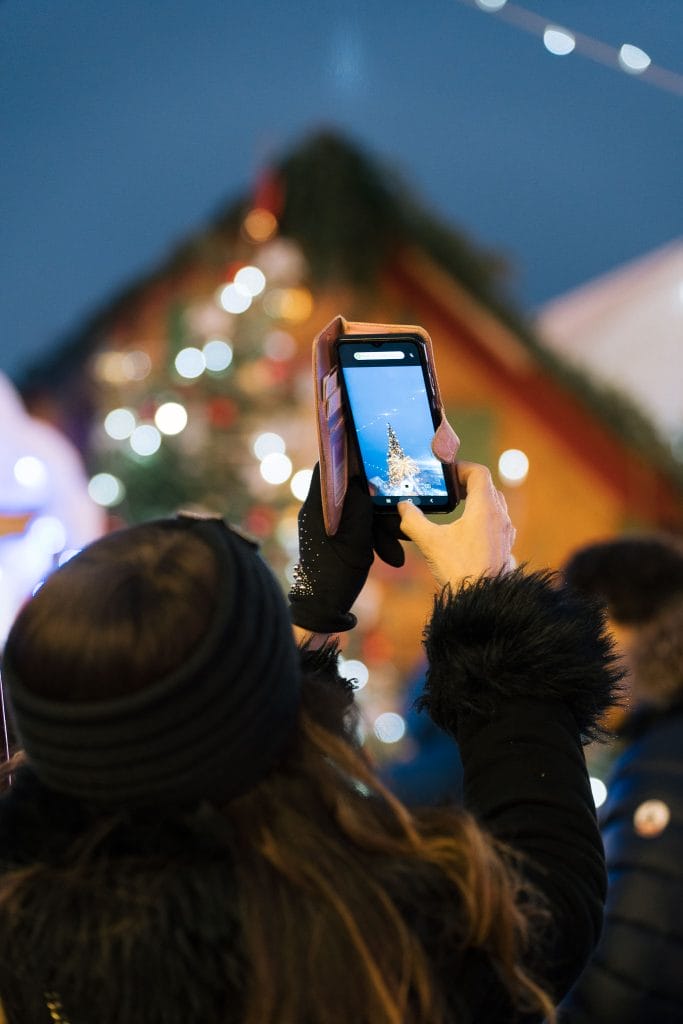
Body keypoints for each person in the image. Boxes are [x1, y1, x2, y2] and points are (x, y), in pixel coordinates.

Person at [0, 461, 619, 1024]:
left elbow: (196, 730)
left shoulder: (36, 918)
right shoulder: (341, 943)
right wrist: (489, 605)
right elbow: (538, 912)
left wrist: (313, 613)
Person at [559, 535, 683, 1024]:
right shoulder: (659, 738)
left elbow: (625, 975)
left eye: (590, 635)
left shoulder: (663, 763)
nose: (582, 664)